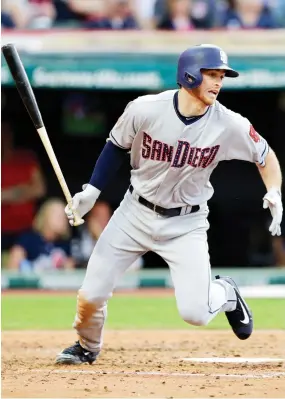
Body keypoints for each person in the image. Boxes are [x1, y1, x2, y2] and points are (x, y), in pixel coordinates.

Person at [56, 44, 283, 365]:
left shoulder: (228, 124)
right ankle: (87, 346)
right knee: (91, 296)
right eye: (211, 75)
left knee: (196, 313)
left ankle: (227, 293)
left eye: (221, 76)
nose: (218, 83)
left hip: (185, 223)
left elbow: (266, 156)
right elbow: (115, 146)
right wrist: (92, 191)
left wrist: (274, 190)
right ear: (188, 74)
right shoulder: (145, 109)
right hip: (134, 213)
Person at [1, 122, 46, 251]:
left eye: (4, 134)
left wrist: (5, 194)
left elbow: (39, 189)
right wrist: (23, 191)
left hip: (26, 230)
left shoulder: (26, 158)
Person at [7, 198, 75, 272]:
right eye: (58, 215)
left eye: (64, 216)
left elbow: (70, 273)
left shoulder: (66, 244)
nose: (62, 219)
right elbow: (13, 268)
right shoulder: (28, 239)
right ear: (45, 216)